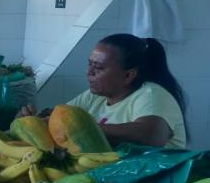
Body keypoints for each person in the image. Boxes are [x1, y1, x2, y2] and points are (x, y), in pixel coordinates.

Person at [19, 34, 187, 149]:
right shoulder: (95, 96)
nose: (89, 72)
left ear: (128, 75)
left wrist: (82, 128)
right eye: (90, 64)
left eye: (98, 68)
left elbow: (151, 135)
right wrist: (34, 121)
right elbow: (60, 118)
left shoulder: (152, 95)